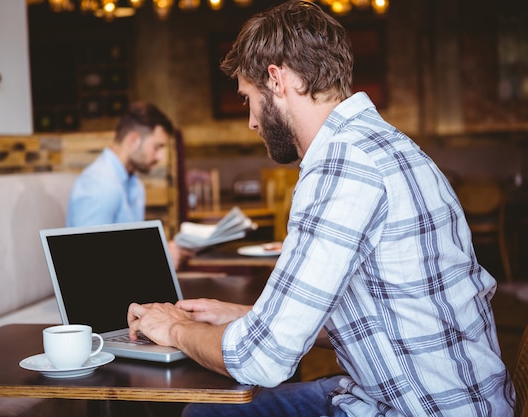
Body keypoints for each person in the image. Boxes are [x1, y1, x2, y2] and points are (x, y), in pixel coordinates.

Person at [126, 1, 516, 416]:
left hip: (419, 408)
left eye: (248, 99)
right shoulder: (379, 143)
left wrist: (175, 328)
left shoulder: (342, 167)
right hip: (447, 396)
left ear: (276, 80)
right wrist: (247, 315)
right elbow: (381, 319)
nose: (252, 122)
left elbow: (264, 359)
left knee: (205, 412)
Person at [66, 101, 192, 268]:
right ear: (133, 140)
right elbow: (88, 262)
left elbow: (126, 247)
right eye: (157, 146)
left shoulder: (134, 183)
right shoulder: (100, 184)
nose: (161, 156)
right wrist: (159, 258)